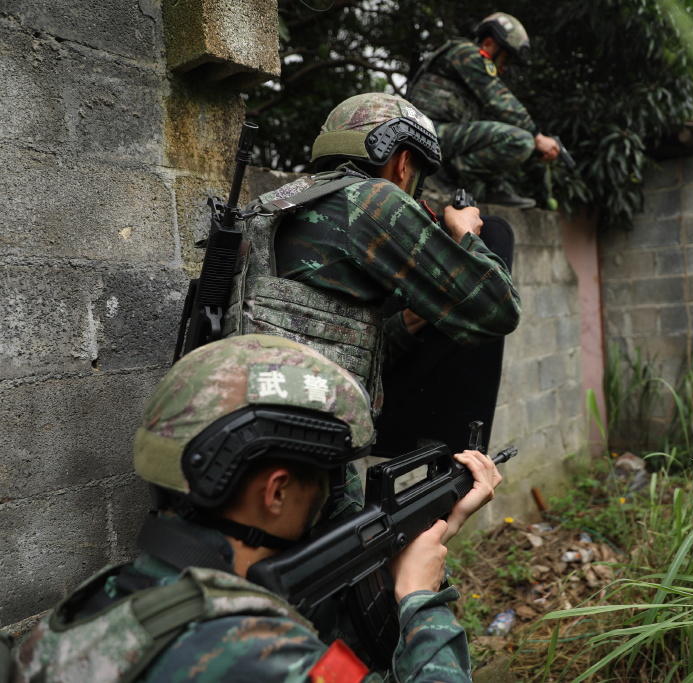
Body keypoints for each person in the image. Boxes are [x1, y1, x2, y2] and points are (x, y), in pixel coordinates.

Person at [11, 334, 501, 682]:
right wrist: (419, 599)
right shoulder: (263, 654)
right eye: (328, 478)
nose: (334, 495)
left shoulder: (88, 607)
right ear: (277, 492)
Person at [225, 92, 521, 419]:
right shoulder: (373, 199)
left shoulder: (274, 204)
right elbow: (499, 309)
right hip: (310, 431)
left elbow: (335, 343)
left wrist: (413, 318)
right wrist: (465, 232)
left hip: (251, 414)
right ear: (403, 163)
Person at [405, 12, 560, 209]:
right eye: (506, 58)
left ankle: (493, 186)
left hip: (434, 135)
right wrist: (537, 136)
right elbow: (499, 100)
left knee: (502, 137)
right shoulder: (466, 53)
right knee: (520, 141)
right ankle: (443, 176)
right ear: (488, 44)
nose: (504, 68)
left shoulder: (467, 71)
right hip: (429, 134)